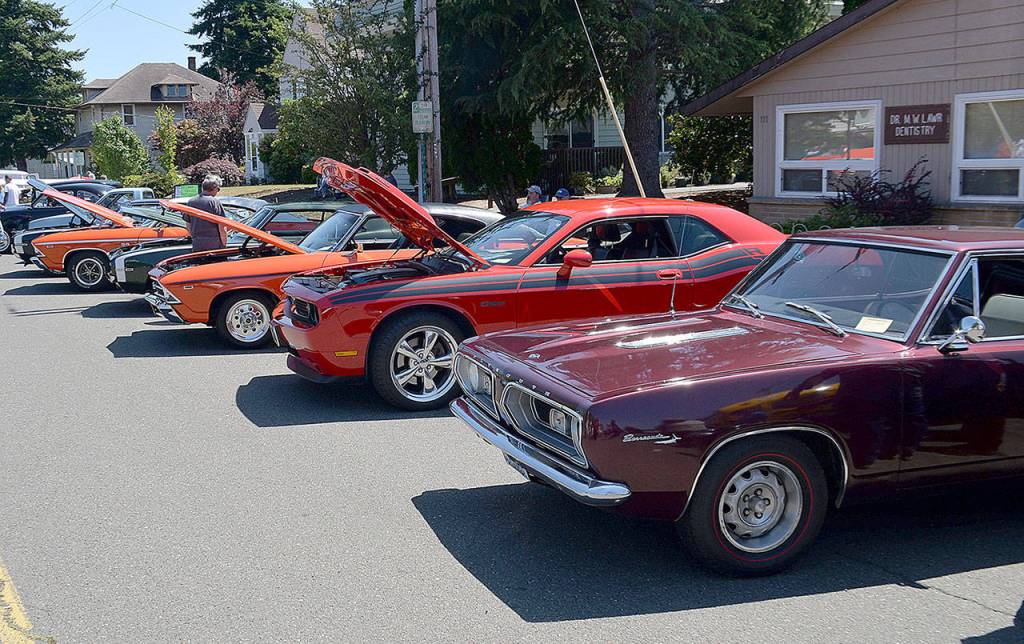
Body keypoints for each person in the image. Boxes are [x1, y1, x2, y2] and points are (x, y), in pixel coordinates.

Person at [186, 175, 227, 252]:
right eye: (218, 189)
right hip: (214, 245)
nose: (217, 192)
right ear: (214, 188)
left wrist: (195, 238)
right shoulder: (215, 202)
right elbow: (222, 226)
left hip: (197, 244)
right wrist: (224, 244)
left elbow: (188, 224)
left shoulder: (191, 202)